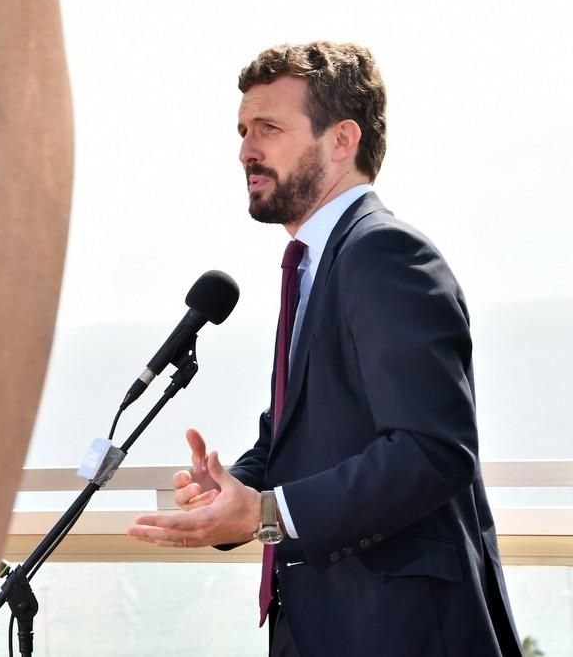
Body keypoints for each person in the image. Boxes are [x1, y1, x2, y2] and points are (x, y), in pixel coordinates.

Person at [127, 41, 523, 657]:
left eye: (269, 128)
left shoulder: (385, 255)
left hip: (399, 631)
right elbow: (302, 442)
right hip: (320, 625)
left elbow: (433, 452)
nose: (245, 151)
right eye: (242, 130)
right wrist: (230, 491)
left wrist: (266, 513)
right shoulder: (313, 267)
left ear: (342, 139)